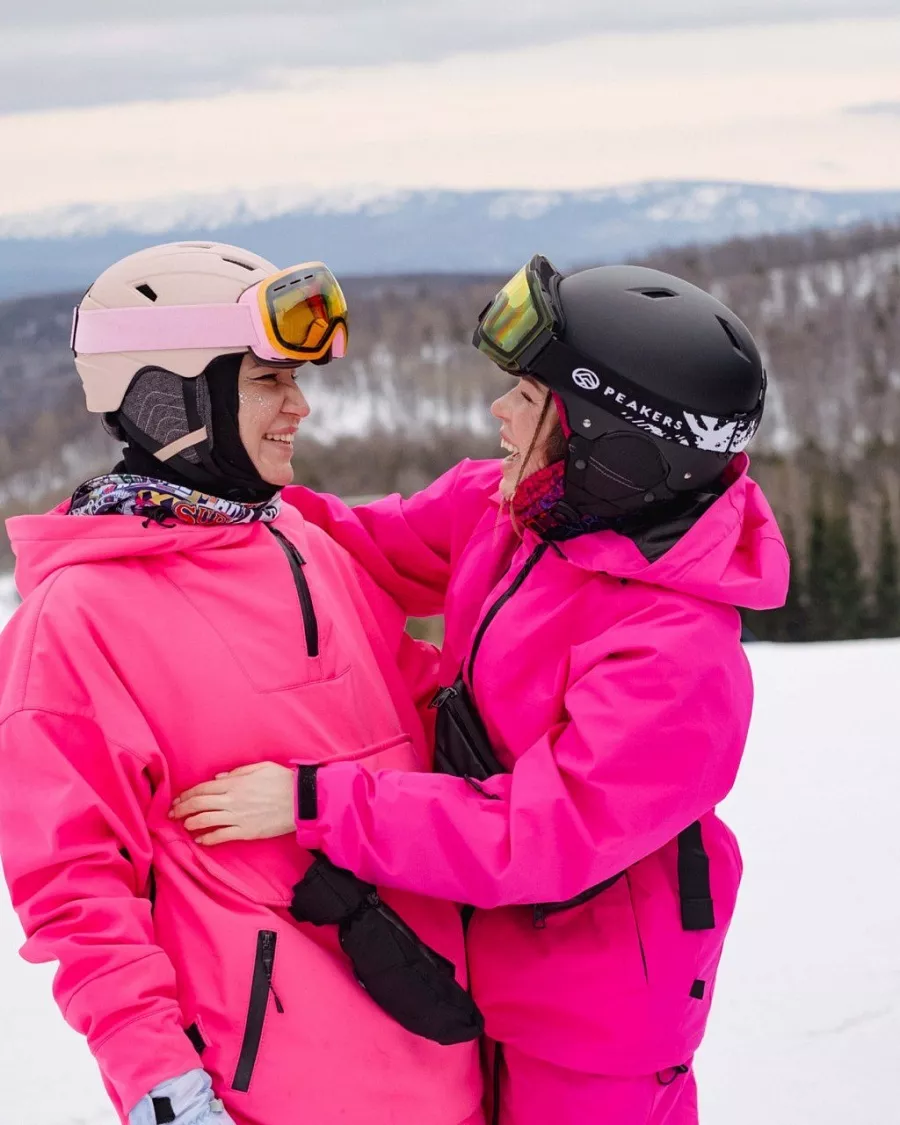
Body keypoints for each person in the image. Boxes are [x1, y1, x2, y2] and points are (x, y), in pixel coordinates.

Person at [173, 257, 790, 1125]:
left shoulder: (678, 657)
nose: (499, 412)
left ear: (613, 454)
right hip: (474, 971)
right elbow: (357, 547)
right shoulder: (519, 509)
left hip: (594, 1028)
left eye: (529, 400)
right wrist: (199, 494)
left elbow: (534, 834)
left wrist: (314, 802)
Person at [0, 242, 484, 1125]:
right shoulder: (77, 620)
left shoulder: (302, 545)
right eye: (268, 380)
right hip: (274, 1094)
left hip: (445, 1056)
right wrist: (164, 1087)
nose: (300, 406)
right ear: (169, 397)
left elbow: (434, 729)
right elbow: (76, 891)